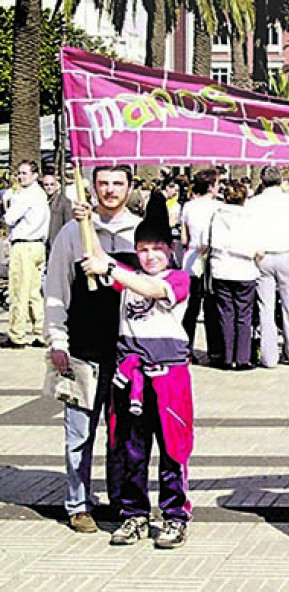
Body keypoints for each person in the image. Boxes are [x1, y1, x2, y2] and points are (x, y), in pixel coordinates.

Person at [80, 191, 194, 549]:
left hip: (169, 377)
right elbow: (95, 255)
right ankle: (134, 515)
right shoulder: (126, 274)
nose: (151, 256)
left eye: (158, 248)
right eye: (143, 249)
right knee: (130, 449)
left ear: (170, 250)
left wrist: (112, 269)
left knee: (173, 450)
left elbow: (149, 287)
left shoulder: (178, 279)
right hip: (129, 376)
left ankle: (175, 516)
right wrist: (85, 218)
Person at [45, 164, 139, 533]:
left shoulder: (138, 233)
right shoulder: (73, 233)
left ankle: (122, 499)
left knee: (123, 435)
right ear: (92, 187)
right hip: (83, 350)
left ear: (130, 187)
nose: (110, 190)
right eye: (103, 184)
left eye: (118, 183)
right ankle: (78, 503)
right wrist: (57, 340)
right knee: (78, 434)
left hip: (127, 354)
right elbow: (55, 289)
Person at [245, 165, 289, 368]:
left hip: (262, 256)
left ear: (262, 182)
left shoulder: (252, 203)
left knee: (266, 309)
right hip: (288, 254)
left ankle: (269, 356)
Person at [207, 181, 259, 370]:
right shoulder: (251, 216)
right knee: (244, 315)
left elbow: (211, 241)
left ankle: (227, 357)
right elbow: (256, 242)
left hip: (222, 268)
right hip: (244, 268)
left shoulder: (217, 215)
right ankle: (243, 358)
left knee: (226, 314)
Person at [2, 160, 50, 349]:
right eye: (19, 173)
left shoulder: (25, 195)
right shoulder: (40, 194)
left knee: (18, 291)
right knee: (33, 292)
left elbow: (9, 217)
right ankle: (41, 331)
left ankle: (17, 335)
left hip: (24, 246)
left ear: (34, 175)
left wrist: (8, 202)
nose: (21, 177)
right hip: (38, 245)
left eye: (24, 173)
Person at [180, 169, 222, 363]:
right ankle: (215, 351)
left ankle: (186, 350)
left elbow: (183, 238)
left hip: (191, 259)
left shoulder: (188, 206)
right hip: (213, 260)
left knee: (190, 309)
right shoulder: (219, 207)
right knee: (213, 308)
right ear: (211, 186)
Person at [42, 165, 73, 251]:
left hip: (58, 241)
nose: (49, 187)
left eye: (52, 184)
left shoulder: (64, 201)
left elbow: (68, 223)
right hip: (44, 242)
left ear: (56, 185)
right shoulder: (41, 201)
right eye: (46, 185)